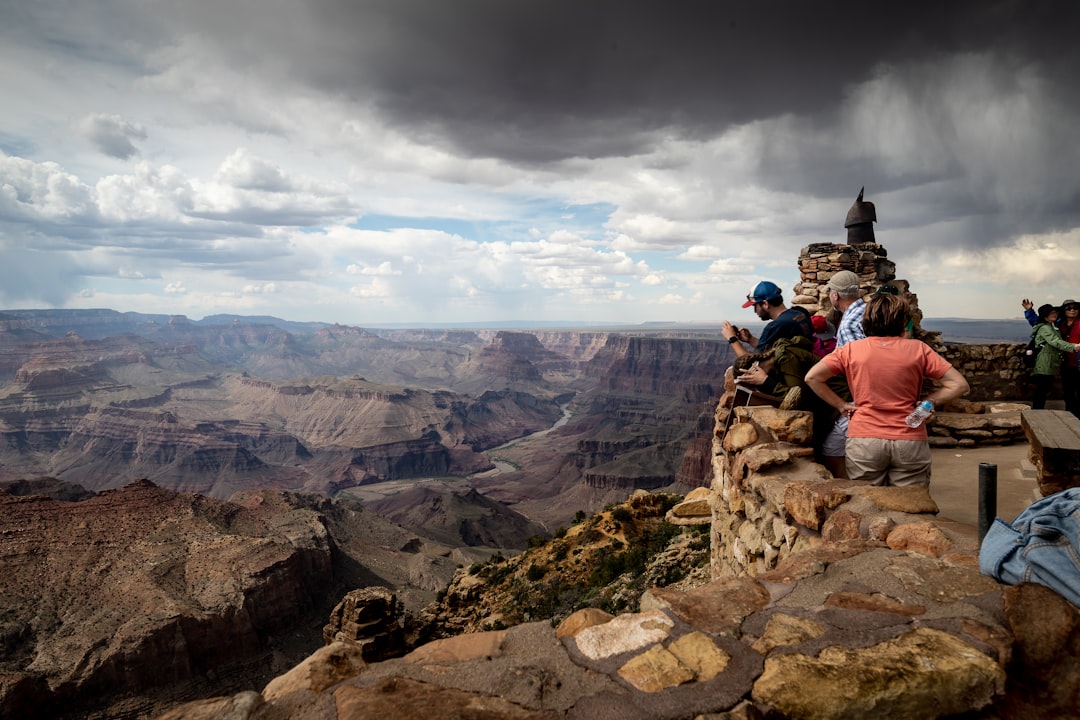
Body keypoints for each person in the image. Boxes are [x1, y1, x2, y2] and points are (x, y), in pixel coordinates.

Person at [804, 293, 970, 487]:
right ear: (903, 321)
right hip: (909, 437)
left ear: (867, 320)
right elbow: (959, 384)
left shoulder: (850, 350)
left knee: (869, 502)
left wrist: (841, 406)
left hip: (864, 438)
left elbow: (812, 377)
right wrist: (929, 402)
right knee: (910, 504)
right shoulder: (918, 349)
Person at [731, 335, 851, 476]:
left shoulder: (785, 358)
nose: (755, 389)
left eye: (751, 383)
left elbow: (798, 396)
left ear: (754, 370)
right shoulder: (778, 363)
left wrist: (766, 382)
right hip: (834, 407)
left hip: (842, 406)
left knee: (832, 458)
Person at [722, 281, 813, 358]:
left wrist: (732, 339)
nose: (754, 311)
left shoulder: (776, 326)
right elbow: (768, 350)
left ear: (765, 304)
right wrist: (750, 339)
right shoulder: (799, 313)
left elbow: (752, 362)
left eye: (755, 306)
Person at [1029, 303, 1080, 410]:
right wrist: (1074, 347)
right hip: (1045, 363)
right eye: (1051, 313)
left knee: (1044, 389)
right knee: (1042, 389)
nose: (1054, 314)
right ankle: (1036, 414)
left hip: (1052, 362)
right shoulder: (1046, 328)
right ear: (1045, 316)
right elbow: (1055, 341)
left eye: (1055, 312)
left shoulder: (1053, 326)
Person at [826, 270, 866, 348]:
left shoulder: (849, 325)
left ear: (835, 295)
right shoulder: (869, 309)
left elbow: (855, 358)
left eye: (829, 291)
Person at [1057, 299, 1080, 416]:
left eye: (1075, 308)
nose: (1072, 310)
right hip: (1066, 363)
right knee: (1068, 391)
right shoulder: (1060, 323)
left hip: (1078, 364)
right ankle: (1070, 415)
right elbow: (1040, 323)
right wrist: (1029, 311)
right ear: (1064, 311)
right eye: (1069, 308)